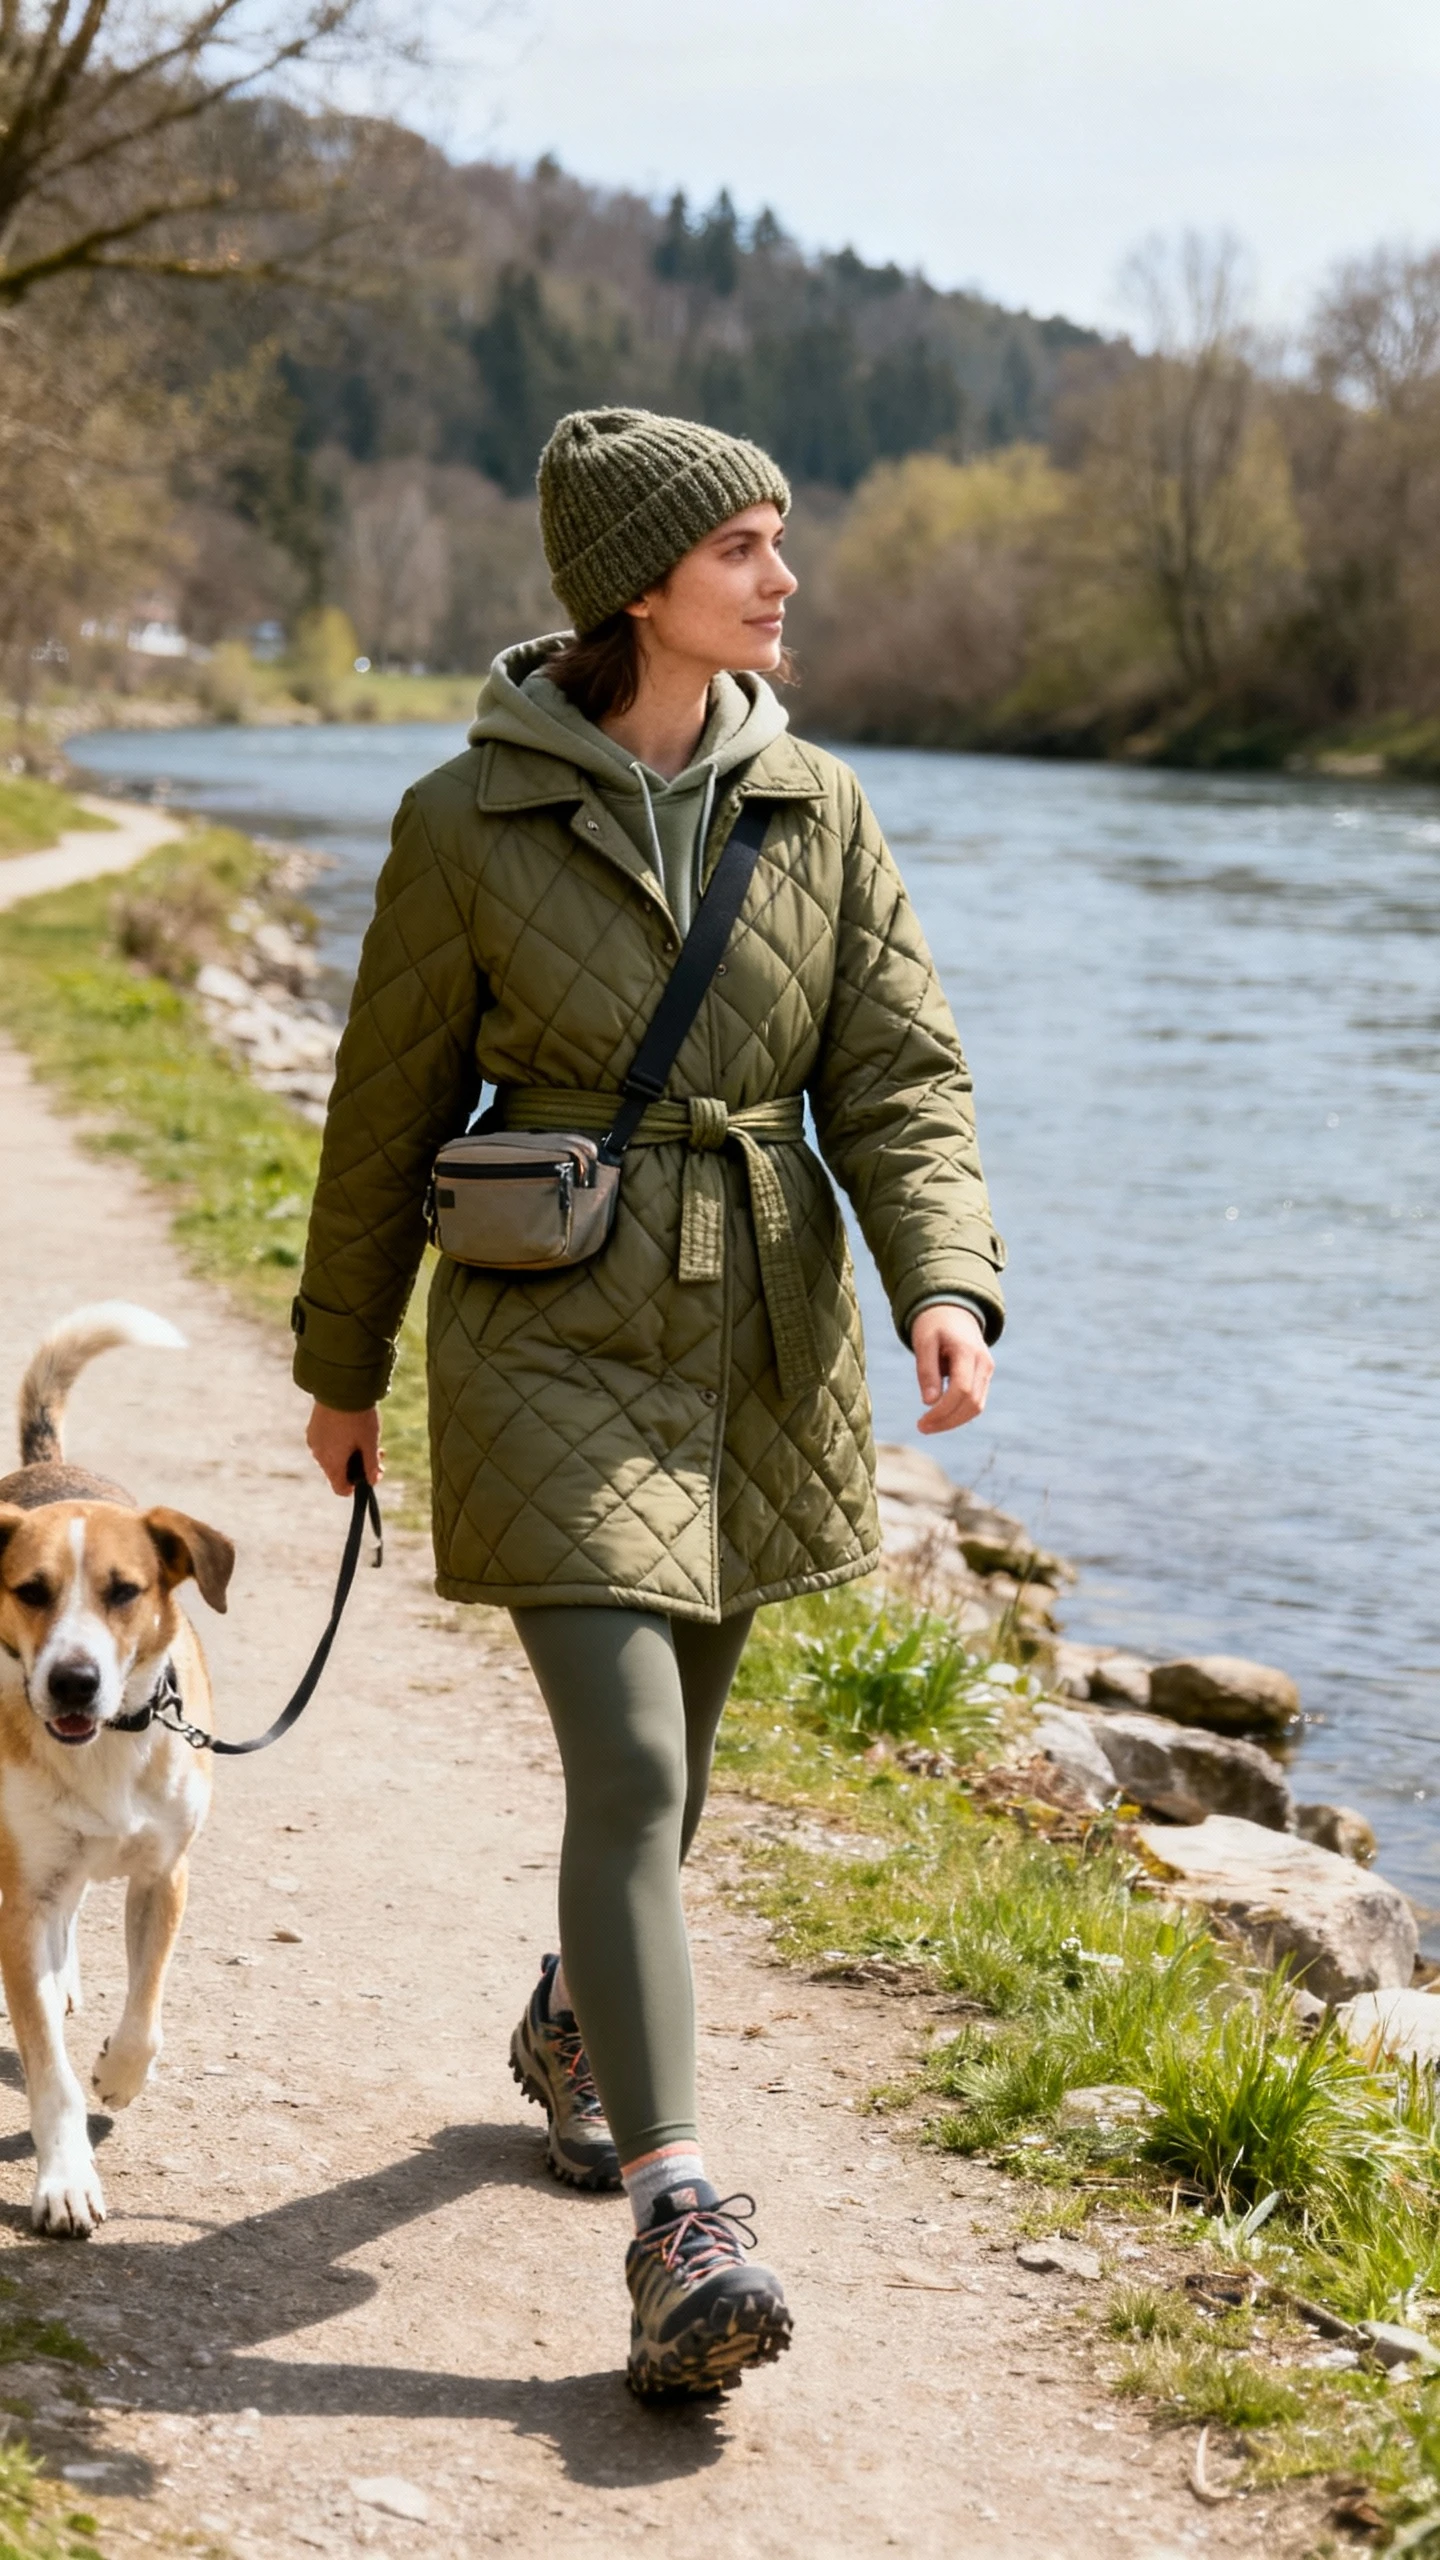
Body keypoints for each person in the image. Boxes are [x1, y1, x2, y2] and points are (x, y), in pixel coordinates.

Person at [292, 406, 1005, 2402]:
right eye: (742, 547)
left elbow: (900, 1076)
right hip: (549, 1332)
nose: (784, 578)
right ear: (638, 582)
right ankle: (682, 2217)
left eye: (779, 541)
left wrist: (945, 1283)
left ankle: (576, 2024)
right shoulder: (464, 820)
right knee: (624, 1764)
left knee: (674, 1777)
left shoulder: (822, 808)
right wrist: (341, 1361)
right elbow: (385, 1107)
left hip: (762, 1338)